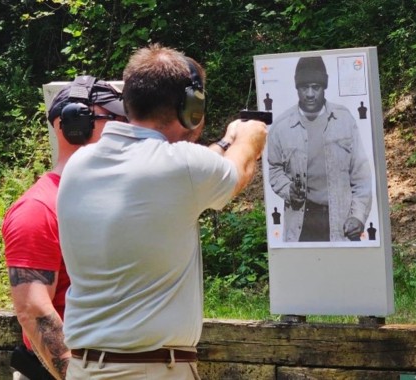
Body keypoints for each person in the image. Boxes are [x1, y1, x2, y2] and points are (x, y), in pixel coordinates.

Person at [56, 44, 267, 379]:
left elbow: (181, 168)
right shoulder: (181, 167)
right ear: (190, 109)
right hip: (152, 370)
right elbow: (237, 173)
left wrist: (225, 143)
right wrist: (249, 137)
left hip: (85, 368)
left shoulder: (80, 163)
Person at [2, 76, 127, 379]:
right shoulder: (38, 209)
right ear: (74, 125)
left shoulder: (112, 199)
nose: (126, 130)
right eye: (115, 120)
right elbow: (33, 310)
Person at [267, 55, 372, 242]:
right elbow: (274, 170)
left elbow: (361, 175)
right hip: (301, 223)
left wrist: (358, 216)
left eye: (315, 87)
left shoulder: (344, 120)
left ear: (324, 87)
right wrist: (287, 189)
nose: (309, 94)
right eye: (304, 87)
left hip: (340, 221)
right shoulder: (281, 127)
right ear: (296, 88)